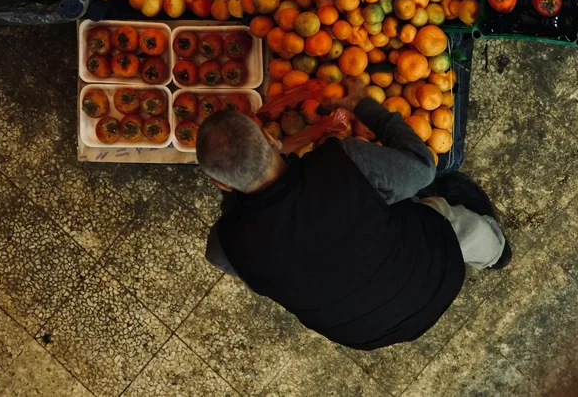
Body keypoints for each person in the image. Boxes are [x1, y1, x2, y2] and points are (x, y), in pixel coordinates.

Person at [197, 78, 510, 350]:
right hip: (435, 276)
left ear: (219, 183)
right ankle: (494, 252)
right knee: (438, 212)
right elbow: (423, 170)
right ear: (269, 138)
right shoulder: (341, 164)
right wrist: (363, 104)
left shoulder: (224, 246)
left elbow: (259, 267)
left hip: (363, 333)